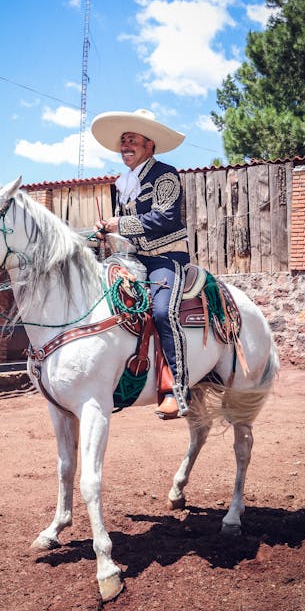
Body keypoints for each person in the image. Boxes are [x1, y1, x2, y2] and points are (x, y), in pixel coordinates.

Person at [91, 108, 190, 419]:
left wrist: (118, 223)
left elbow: (164, 218)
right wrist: (104, 231)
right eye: (123, 141)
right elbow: (122, 227)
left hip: (166, 257)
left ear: (150, 144)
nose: (125, 146)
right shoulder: (124, 183)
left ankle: (177, 389)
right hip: (134, 259)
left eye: (131, 139)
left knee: (163, 311)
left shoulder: (166, 175)